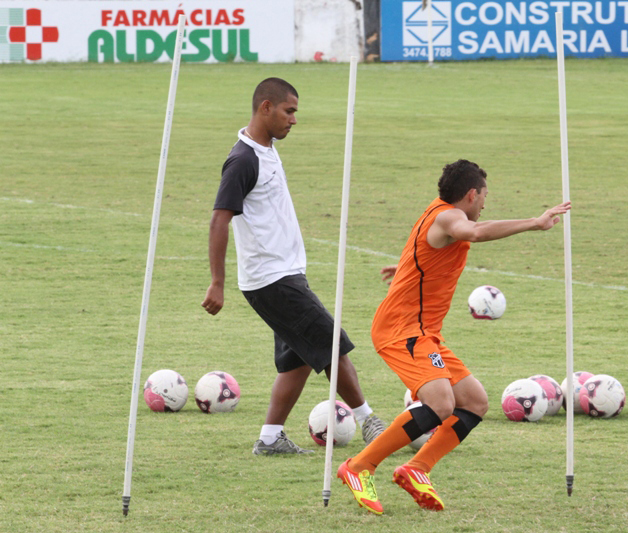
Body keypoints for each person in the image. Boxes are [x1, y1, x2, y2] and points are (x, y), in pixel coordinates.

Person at [337, 159, 571, 514]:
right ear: (471, 194)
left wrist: (403, 269)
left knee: (475, 402)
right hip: (402, 329)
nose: (485, 205)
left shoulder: (438, 214)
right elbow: (473, 232)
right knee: (441, 403)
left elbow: (427, 247)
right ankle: (358, 467)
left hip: (424, 332)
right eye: (484, 197)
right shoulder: (448, 217)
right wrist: (535, 223)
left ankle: (416, 468)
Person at [202, 77, 384, 455]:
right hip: (271, 279)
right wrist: (216, 282)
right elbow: (220, 219)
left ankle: (270, 438)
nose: (294, 120)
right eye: (289, 111)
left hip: (284, 273)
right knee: (332, 343)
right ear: (265, 107)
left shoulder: (265, 149)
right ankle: (370, 422)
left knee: (300, 358)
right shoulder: (243, 160)